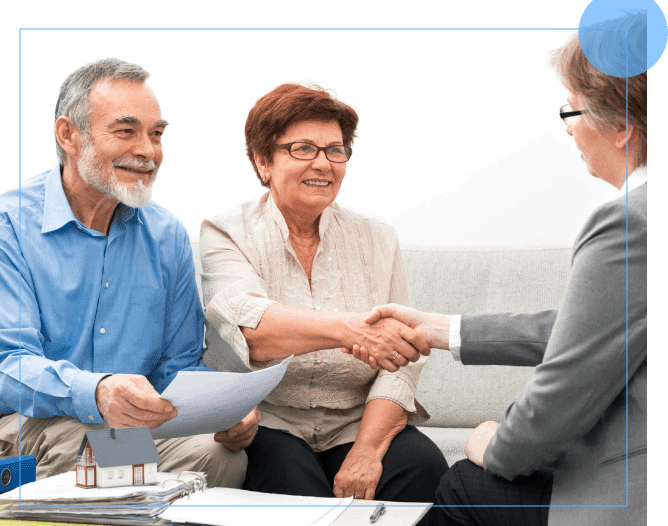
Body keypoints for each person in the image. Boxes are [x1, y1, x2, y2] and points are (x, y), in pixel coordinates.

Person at [346, 27, 647, 525]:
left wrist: (496, 446)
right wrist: (442, 330)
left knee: (466, 483)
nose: (569, 129)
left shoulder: (628, 221)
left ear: (622, 127)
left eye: (571, 111)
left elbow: (564, 392)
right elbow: (593, 329)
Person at [0, 58, 259, 486]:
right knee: (99, 448)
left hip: (128, 432)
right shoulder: (9, 225)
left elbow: (178, 369)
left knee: (218, 454)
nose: (148, 150)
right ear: (69, 135)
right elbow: (9, 364)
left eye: (156, 134)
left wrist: (223, 408)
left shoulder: (166, 234)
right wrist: (97, 391)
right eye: (126, 131)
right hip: (31, 424)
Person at [200, 83, 447, 502]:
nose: (324, 163)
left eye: (335, 149)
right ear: (263, 161)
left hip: (357, 421)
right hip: (273, 421)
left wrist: (367, 451)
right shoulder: (227, 232)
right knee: (293, 491)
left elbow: (401, 362)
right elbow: (251, 329)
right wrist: (354, 331)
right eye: (303, 149)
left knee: (423, 468)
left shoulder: (378, 239)